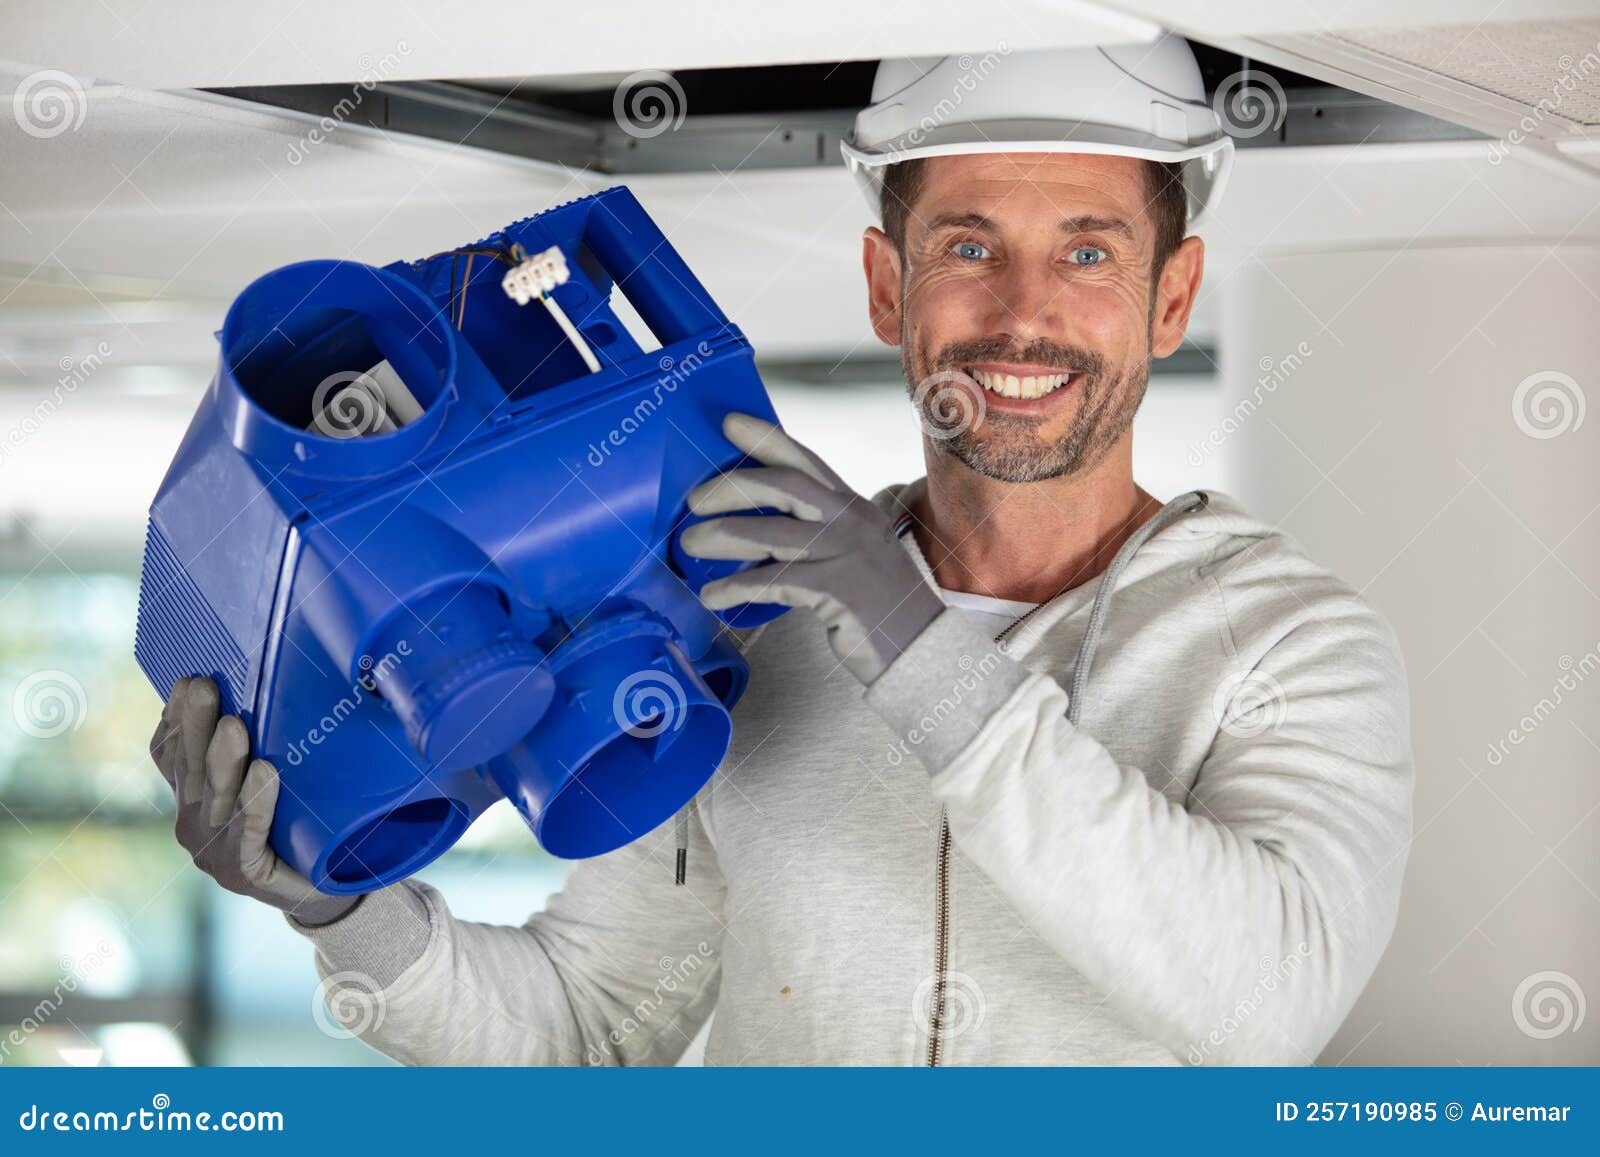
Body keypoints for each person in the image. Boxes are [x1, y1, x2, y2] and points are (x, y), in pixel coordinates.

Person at [148, 35, 1413, 1066]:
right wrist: (340, 906)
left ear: (1171, 296)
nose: (1023, 311)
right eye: (967, 245)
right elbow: (588, 1032)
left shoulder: (1285, 642)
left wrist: (915, 644)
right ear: (887, 286)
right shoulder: (751, 616)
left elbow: (1265, 1007)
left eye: (1087, 251)